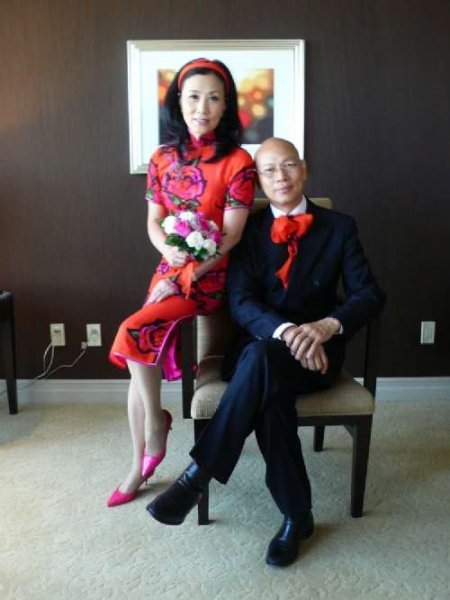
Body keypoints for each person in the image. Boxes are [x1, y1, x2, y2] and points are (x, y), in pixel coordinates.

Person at [146, 137, 386, 567]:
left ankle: (199, 476)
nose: (281, 176)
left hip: (317, 356)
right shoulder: (248, 232)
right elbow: (240, 301)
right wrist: (288, 332)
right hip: (261, 348)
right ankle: (297, 515)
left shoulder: (340, 227)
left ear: (304, 169)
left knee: (266, 377)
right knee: (266, 377)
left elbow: (369, 294)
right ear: (258, 181)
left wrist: (327, 326)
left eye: (288, 165)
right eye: (269, 170)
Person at [107, 59, 255, 507]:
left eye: (213, 98)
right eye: (193, 97)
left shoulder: (239, 161)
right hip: (168, 270)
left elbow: (231, 236)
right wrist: (168, 256)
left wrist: (187, 273)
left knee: (133, 331)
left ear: (226, 105)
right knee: (140, 349)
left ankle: (156, 429)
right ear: (179, 101)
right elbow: (154, 222)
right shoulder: (161, 158)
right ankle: (139, 459)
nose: (202, 108)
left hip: (212, 279)